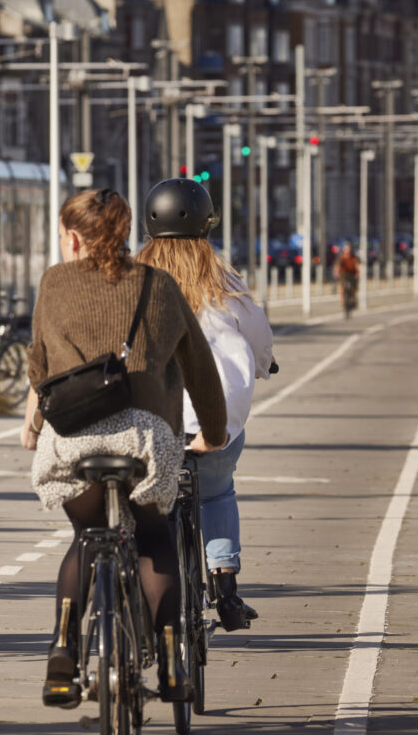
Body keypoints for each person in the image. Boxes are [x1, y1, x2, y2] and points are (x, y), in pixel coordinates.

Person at [21, 188, 227, 708]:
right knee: (155, 540)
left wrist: (37, 420)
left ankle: (64, 649)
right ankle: (174, 661)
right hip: (146, 438)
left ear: (72, 236)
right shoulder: (157, 284)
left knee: (87, 535)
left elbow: (39, 365)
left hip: (75, 438)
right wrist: (216, 431)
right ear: (126, 231)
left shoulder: (54, 282)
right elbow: (199, 366)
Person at [135, 179, 275, 632]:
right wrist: (264, 363)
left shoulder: (133, 277)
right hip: (215, 424)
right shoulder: (223, 278)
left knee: (143, 501)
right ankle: (226, 588)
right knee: (217, 491)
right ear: (207, 224)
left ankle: (142, 586)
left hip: (150, 423)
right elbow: (257, 333)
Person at [333, 242, 360, 317]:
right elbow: (337, 266)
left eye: (348, 249)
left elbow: (357, 265)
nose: (347, 251)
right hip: (344, 274)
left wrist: (358, 273)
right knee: (342, 286)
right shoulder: (341, 257)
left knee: (354, 288)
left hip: (352, 274)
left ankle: (354, 298)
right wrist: (336, 273)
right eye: (346, 249)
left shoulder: (354, 257)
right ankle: (342, 299)